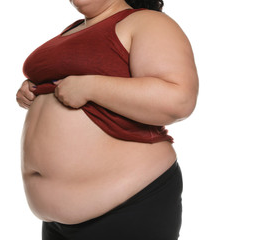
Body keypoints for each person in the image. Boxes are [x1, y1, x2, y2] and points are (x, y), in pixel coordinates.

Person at [16, 0, 198, 239]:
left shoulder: (146, 22)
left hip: (128, 204)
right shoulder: (73, 29)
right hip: (57, 223)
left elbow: (178, 99)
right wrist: (34, 89)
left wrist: (92, 87)